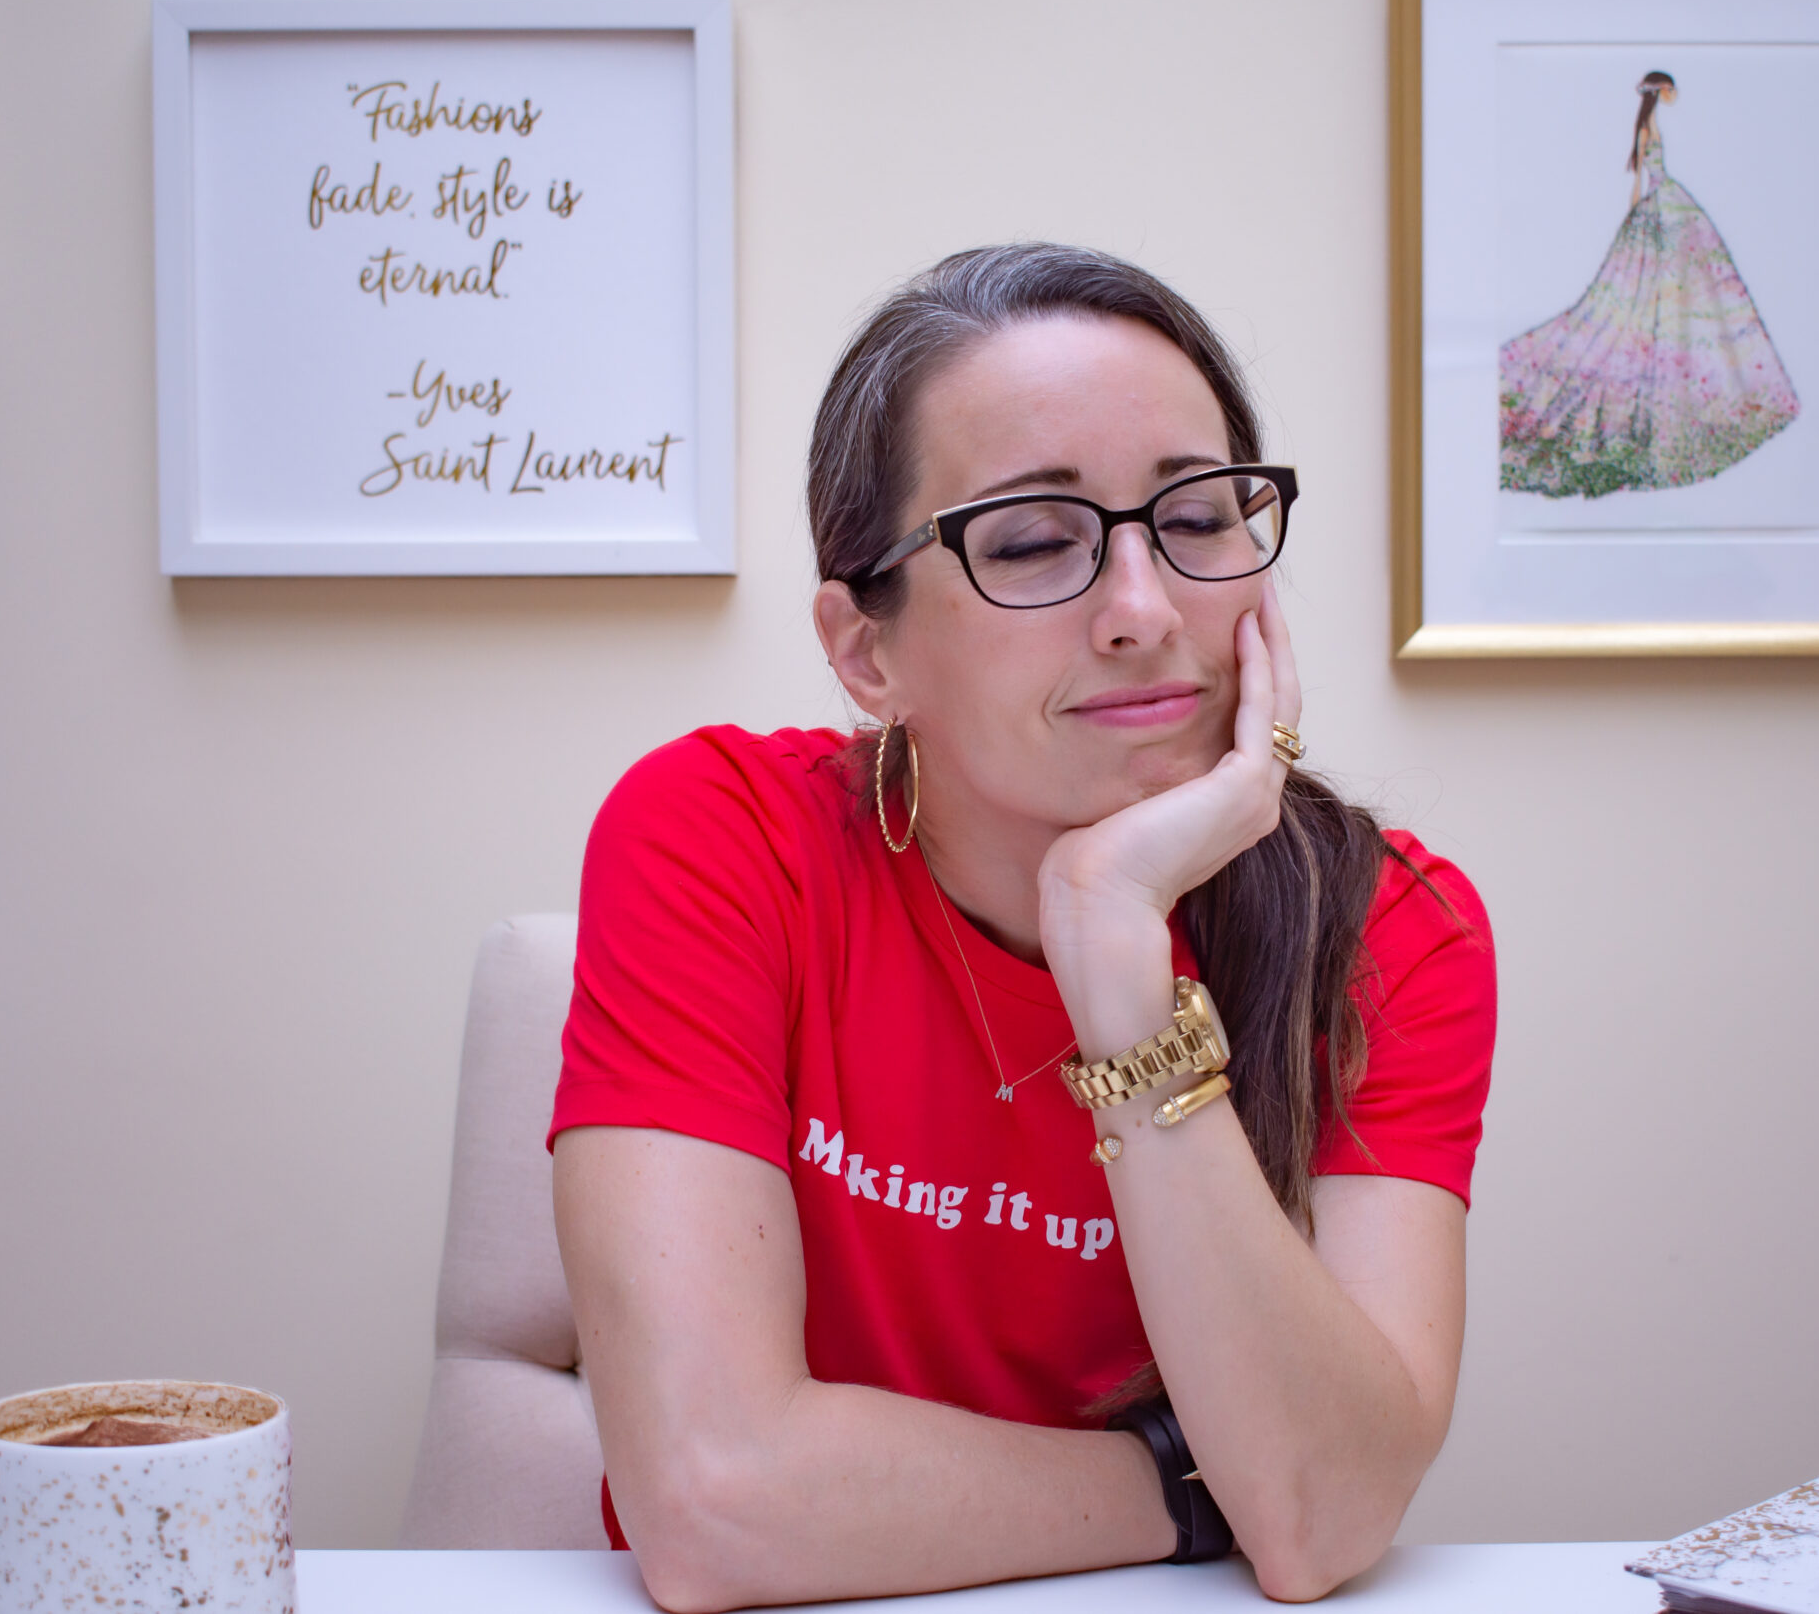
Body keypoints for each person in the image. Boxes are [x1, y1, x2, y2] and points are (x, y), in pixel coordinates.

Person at [549, 243, 1496, 1611]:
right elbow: (714, 1499)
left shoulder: (1394, 929)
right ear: (868, 650)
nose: (1144, 610)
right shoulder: (717, 835)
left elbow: (1324, 1511)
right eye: (1035, 541)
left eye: (1198, 516)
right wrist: (1189, 1485)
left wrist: (1115, 945)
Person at [1499, 70, 1801, 498]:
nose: (1674, 95)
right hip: (1658, 206)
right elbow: (1639, 177)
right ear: (1660, 91)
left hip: (1669, 203)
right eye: (1670, 89)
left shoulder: (1654, 125)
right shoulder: (1645, 130)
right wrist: (1632, 215)